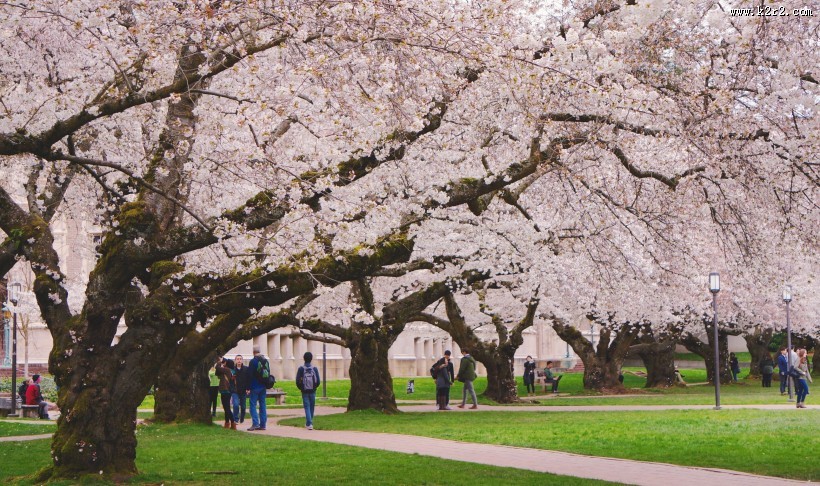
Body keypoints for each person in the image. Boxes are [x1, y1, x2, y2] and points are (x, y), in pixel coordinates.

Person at [295, 351, 321, 430]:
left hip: (304, 391)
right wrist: (315, 387)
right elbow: (318, 381)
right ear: (311, 359)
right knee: (312, 406)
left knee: (307, 406)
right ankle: (309, 422)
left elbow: (297, 381)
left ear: (304, 359)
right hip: (313, 390)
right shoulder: (314, 369)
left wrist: (301, 388)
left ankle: (309, 423)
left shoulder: (301, 369)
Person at [247, 346, 268, 431]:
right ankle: (263, 424)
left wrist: (248, 387)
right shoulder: (265, 360)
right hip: (263, 386)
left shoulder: (253, 361)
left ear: (253, 352)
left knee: (253, 405)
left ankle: (255, 423)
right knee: (263, 405)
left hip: (255, 386)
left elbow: (250, 375)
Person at [214, 357, 237, 429]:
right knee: (226, 407)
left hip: (225, 390)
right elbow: (216, 373)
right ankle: (227, 423)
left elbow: (217, 368)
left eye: (226, 362)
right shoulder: (230, 371)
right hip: (227, 390)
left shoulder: (227, 370)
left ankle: (233, 422)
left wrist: (219, 361)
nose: (224, 363)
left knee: (226, 408)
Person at [231, 354, 252, 424]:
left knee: (243, 407)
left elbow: (249, 379)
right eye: (237, 359)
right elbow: (230, 380)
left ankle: (242, 417)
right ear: (235, 361)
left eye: (240, 359)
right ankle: (235, 419)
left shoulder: (246, 369)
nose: (239, 360)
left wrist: (248, 388)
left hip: (243, 391)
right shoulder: (233, 370)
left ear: (242, 360)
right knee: (236, 405)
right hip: (235, 391)